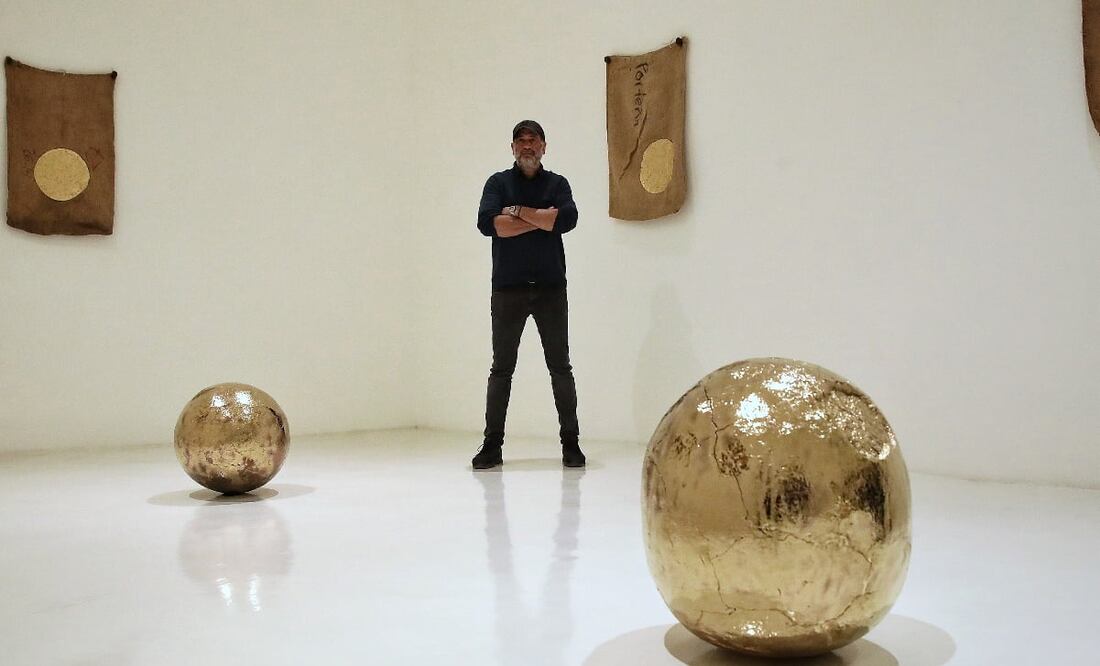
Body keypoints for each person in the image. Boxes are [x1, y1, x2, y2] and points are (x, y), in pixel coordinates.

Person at [472, 120, 585, 469]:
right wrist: (542, 219)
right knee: (501, 369)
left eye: (532, 140)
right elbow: (491, 225)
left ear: (544, 147)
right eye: (520, 141)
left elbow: (566, 220)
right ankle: (492, 446)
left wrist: (517, 212)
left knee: (560, 368)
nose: (527, 146)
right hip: (508, 290)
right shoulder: (497, 183)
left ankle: (571, 445)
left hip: (551, 289)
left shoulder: (558, 184)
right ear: (512, 148)